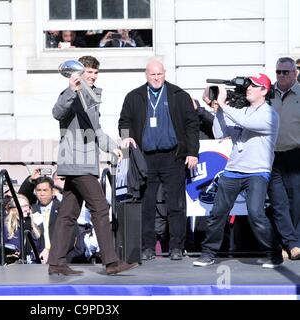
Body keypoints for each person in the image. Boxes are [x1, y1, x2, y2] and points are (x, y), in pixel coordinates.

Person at [48, 55, 138, 276]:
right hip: (77, 162)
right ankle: (111, 262)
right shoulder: (71, 93)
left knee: (68, 213)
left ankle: (56, 262)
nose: (93, 76)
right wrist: (71, 89)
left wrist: (113, 147)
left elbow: (96, 129)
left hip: (83, 163)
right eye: (88, 71)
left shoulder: (90, 95)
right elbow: (57, 112)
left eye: (95, 72)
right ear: (78, 72)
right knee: (100, 208)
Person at [193, 73, 283, 269]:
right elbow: (221, 133)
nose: (248, 88)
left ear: (264, 91)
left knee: (256, 213)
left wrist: (224, 105)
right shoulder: (242, 111)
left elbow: (246, 123)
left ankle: (274, 254)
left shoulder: (269, 114)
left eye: (254, 85)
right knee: (217, 213)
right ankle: (208, 254)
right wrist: (217, 110)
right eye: (248, 85)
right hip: (233, 169)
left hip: (257, 171)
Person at [118, 58, 199, 261]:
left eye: (159, 74)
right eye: (152, 74)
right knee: (146, 204)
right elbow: (124, 120)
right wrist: (125, 135)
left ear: (165, 73)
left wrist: (192, 152)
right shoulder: (134, 96)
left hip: (172, 156)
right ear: (146, 75)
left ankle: (176, 247)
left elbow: (192, 125)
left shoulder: (179, 95)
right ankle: (147, 247)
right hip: (145, 159)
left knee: (176, 204)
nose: (156, 78)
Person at [267, 57, 300, 260]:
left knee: (295, 201)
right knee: (278, 203)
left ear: (295, 73)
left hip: (296, 154)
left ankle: (293, 242)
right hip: (271, 155)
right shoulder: (268, 93)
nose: (281, 75)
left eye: (285, 72)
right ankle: (291, 244)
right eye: (278, 71)